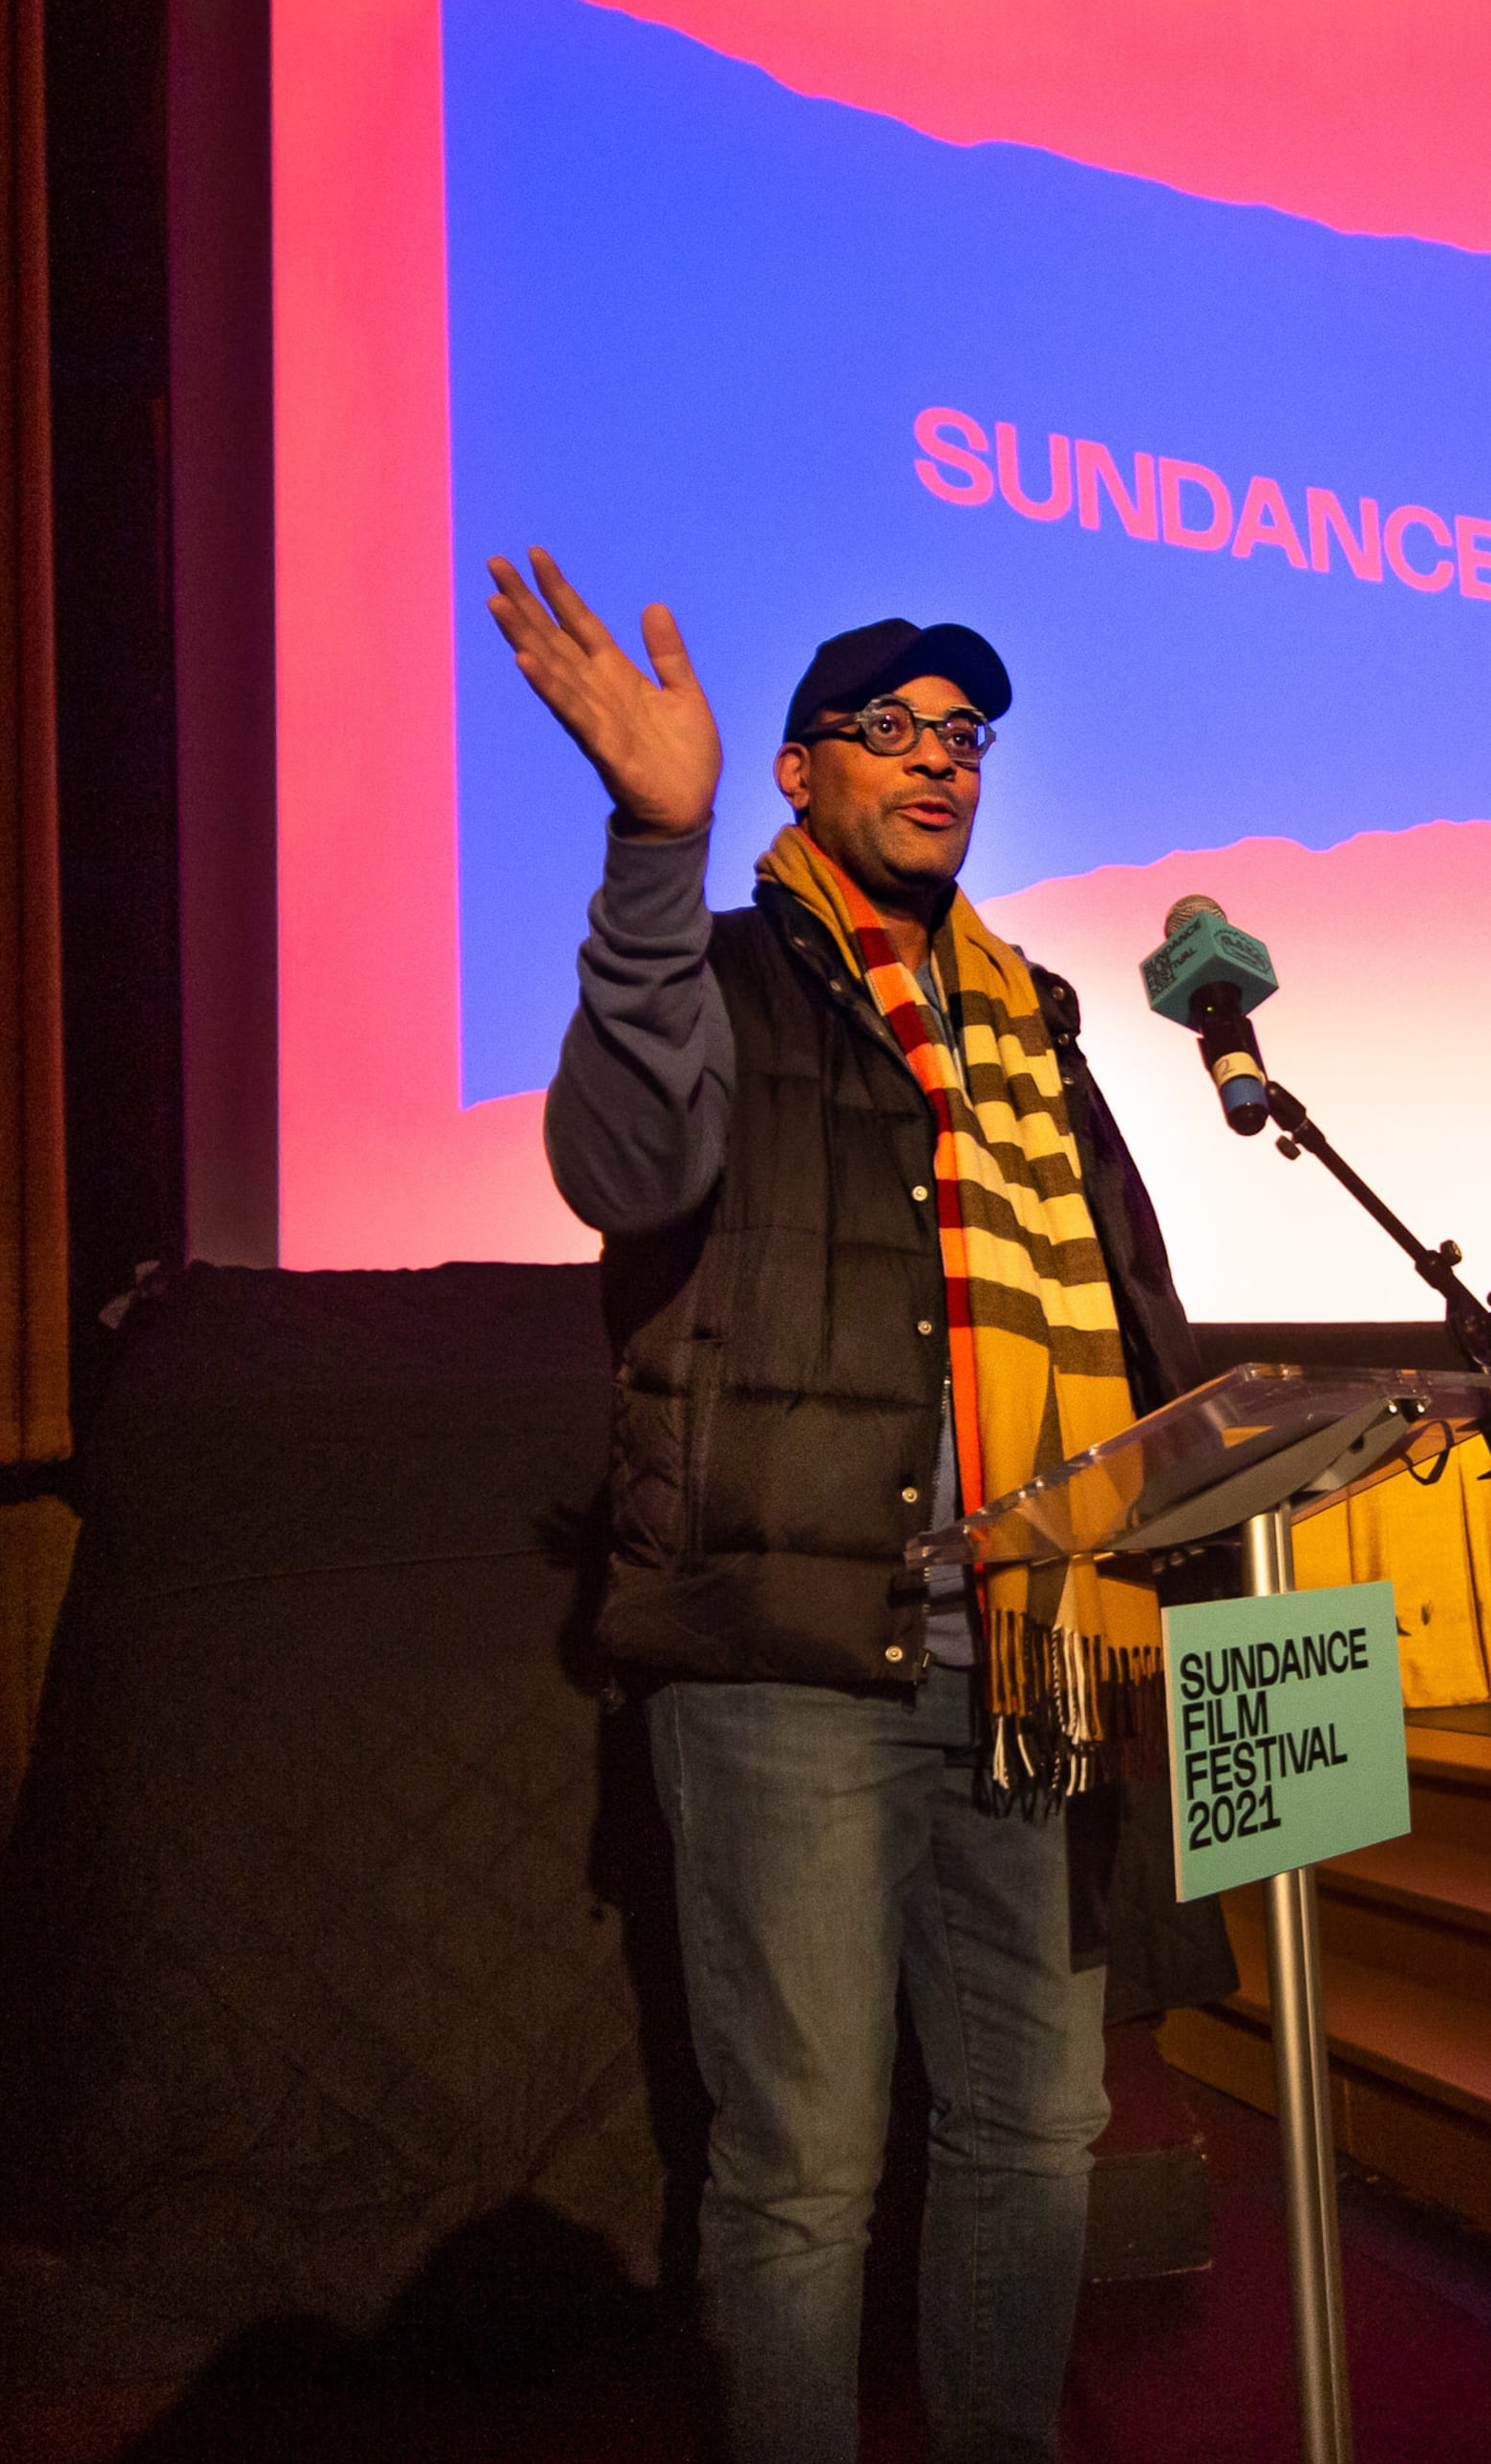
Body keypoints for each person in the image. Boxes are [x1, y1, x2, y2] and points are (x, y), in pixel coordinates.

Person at [484, 545, 1228, 2463]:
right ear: (800, 771)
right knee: (806, 2170)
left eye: (964, 734)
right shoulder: (728, 976)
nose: (937, 758)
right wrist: (654, 850)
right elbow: (617, 1164)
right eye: (888, 727)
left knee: (1037, 2125)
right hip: (791, 1659)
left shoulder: (1032, 1022)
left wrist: (1206, 1520)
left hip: (1030, 1658)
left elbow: (1132, 1309)